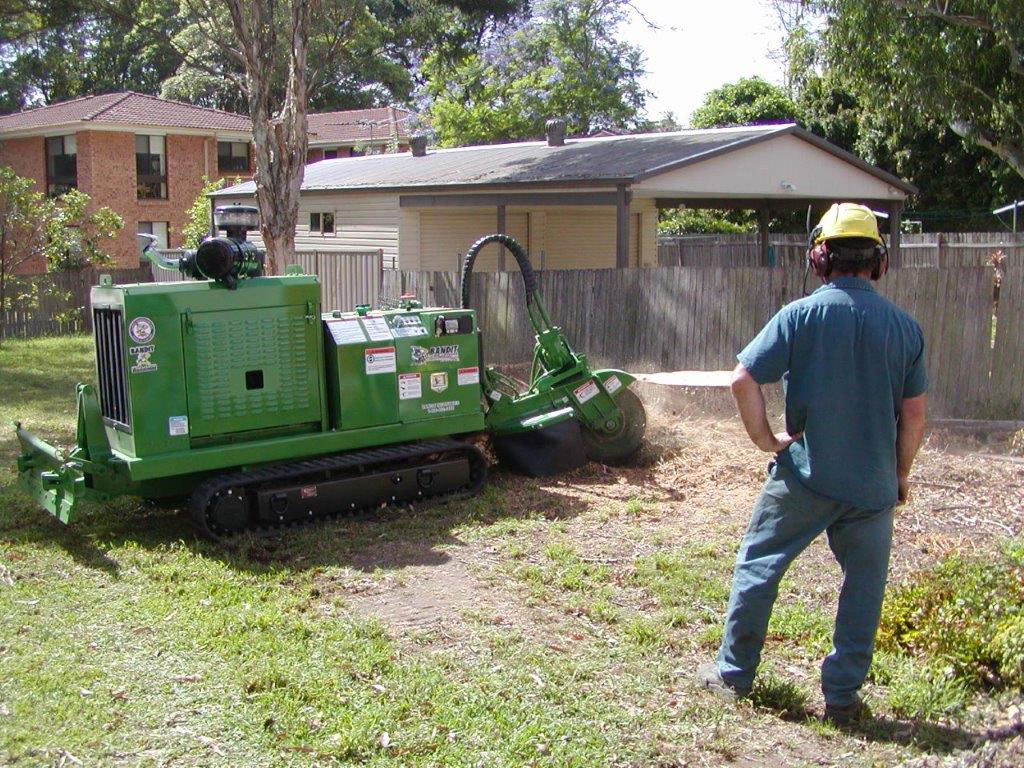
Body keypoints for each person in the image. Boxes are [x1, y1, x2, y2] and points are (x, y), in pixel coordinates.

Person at [697, 203, 929, 725]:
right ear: (879, 262)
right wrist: (899, 475)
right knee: (863, 589)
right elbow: (914, 417)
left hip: (803, 477)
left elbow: (742, 379)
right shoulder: (905, 328)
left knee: (760, 564)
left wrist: (767, 441)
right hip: (871, 488)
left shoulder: (799, 316)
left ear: (819, 258)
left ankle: (733, 675)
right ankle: (842, 700)